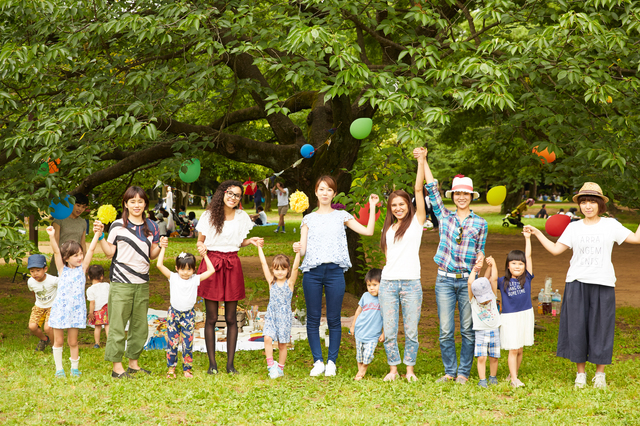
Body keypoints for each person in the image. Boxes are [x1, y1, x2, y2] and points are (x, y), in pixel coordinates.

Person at [524, 182, 640, 389]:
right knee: (576, 327)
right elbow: (556, 250)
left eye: (592, 202)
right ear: (580, 205)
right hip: (576, 282)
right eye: (584, 202)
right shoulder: (573, 227)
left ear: (600, 205)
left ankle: (600, 375)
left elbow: (636, 238)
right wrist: (538, 233)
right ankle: (581, 374)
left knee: (602, 328)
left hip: (603, 283)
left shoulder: (610, 225)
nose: (587, 206)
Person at [295, 175, 379, 377]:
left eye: (329, 190)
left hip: (334, 273)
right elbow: (303, 249)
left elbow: (368, 232)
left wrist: (373, 205)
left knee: (334, 318)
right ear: (316, 192)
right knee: (313, 318)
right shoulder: (308, 219)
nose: (325, 193)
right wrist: (297, 247)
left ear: (334, 193)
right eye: (321, 189)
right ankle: (318, 361)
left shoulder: (342, 216)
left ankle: (331, 361)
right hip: (312, 273)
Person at [422, 149, 487, 385]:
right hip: (445, 281)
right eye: (458, 193)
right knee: (446, 330)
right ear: (453, 196)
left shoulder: (481, 223)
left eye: (465, 194)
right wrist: (424, 160)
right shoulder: (444, 216)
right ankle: (450, 371)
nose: (461, 197)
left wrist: (480, 260)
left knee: (468, 330)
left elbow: (480, 249)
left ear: (471, 197)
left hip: (468, 281)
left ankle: (463, 373)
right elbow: (432, 188)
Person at [195, 180, 263, 375]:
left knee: (232, 317)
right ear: (222, 193)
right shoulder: (209, 215)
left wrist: (250, 241)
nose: (233, 198)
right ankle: (212, 364)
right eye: (230, 193)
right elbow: (201, 241)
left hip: (232, 263)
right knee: (212, 317)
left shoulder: (242, 217)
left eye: (237, 195)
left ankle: (230, 365)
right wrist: (202, 249)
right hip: (212, 264)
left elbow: (238, 242)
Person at [95, 186, 162, 379]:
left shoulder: (152, 227)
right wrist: (100, 236)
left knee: (139, 325)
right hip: (121, 282)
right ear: (125, 204)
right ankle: (117, 367)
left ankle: (133, 363)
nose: (136, 205)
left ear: (145, 204)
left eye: (140, 201)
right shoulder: (117, 225)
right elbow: (109, 253)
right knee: (117, 324)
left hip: (142, 282)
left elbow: (152, 254)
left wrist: (161, 246)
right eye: (132, 201)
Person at [378, 148, 427, 382]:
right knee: (389, 330)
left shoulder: (418, 222)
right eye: (394, 205)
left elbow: (419, 189)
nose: (398, 208)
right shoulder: (387, 228)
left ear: (409, 205)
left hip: (411, 283)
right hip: (387, 284)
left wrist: (421, 161)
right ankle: (393, 369)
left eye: (402, 204)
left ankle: (409, 370)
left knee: (411, 330)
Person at [46, 223, 101, 378]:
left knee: (73, 342)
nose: (80, 257)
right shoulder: (62, 270)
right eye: (75, 255)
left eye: (80, 254)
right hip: (61, 310)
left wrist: (97, 234)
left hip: (76, 311)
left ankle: (74, 369)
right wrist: (51, 236)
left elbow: (90, 250)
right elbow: (56, 252)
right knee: (58, 341)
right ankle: (59, 369)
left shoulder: (82, 270)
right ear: (66, 258)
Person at [157, 249, 215, 379]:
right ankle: (171, 368)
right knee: (172, 342)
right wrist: (164, 248)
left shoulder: (195, 279)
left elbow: (211, 270)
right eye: (182, 269)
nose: (185, 273)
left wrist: (205, 255)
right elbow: (159, 265)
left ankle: (187, 369)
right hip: (173, 314)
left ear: (194, 270)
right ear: (177, 268)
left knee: (187, 344)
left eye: (189, 269)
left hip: (188, 315)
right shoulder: (173, 277)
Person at [257, 242, 301, 379]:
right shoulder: (271, 282)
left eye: (283, 269)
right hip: (271, 315)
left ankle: (280, 368)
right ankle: (271, 366)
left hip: (284, 317)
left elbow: (295, 269)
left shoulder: (290, 283)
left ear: (287, 270)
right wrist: (259, 248)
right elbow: (263, 265)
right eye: (277, 269)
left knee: (282, 344)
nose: (280, 272)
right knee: (267, 338)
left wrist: (298, 253)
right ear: (273, 270)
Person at [349, 269, 384, 381]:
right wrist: (353, 325)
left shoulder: (384, 299)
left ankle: (363, 369)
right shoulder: (365, 296)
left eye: (375, 285)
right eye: (369, 285)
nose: (371, 288)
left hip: (373, 334)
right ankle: (360, 374)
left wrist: (384, 332)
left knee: (368, 355)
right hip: (360, 330)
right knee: (359, 356)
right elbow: (358, 311)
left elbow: (388, 318)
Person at [49, 193, 89, 276]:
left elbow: (83, 243)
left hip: (76, 259)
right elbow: (55, 240)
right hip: (61, 257)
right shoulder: (60, 219)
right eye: (78, 205)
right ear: (71, 204)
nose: (80, 209)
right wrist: (59, 258)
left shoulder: (83, 222)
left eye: (83, 207)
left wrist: (84, 260)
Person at [26, 254, 58, 351]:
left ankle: (55, 347)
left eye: (38, 270)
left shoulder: (53, 280)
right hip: (39, 306)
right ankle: (45, 339)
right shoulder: (31, 282)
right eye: (32, 271)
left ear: (45, 269)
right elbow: (34, 292)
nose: (35, 273)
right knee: (32, 327)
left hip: (52, 306)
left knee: (48, 328)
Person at [86, 265, 110, 349]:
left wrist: (90, 313)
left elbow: (92, 302)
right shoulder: (107, 285)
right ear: (102, 276)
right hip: (107, 308)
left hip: (97, 310)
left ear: (89, 277)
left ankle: (97, 343)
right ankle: (110, 342)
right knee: (107, 326)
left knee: (97, 327)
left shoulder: (90, 290)